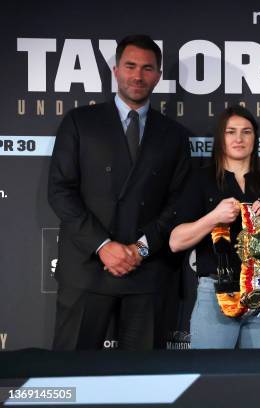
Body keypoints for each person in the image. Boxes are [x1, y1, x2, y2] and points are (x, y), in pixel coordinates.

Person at [48, 35, 192, 350]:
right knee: (70, 378)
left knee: (143, 384)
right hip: (87, 268)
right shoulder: (80, 122)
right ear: (116, 70)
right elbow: (60, 191)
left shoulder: (175, 135)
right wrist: (103, 246)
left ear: (158, 75)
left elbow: (178, 204)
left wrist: (139, 250)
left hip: (147, 270)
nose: (137, 76)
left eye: (147, 68)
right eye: (130, 66)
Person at [169, 105, 260, 349]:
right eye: (231, 132)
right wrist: (213, 217)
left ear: (254, 138)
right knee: (206, 377)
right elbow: (175, 241)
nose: (239, 138)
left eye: (246, 132)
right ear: (220, 138)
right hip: (216, 291)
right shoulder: (200, 180)